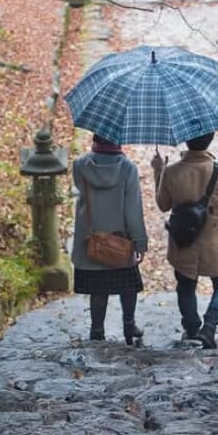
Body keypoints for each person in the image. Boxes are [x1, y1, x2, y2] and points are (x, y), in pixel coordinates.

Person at [152, 133, 218, 348]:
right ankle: (210, 326)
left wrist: (158, 171)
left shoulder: (172, 172)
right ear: (210, 140)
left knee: (185, 286)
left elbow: (163, 204)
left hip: (184, 239)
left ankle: (192, 327)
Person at [71, 133, 149, 345]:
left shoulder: (79, 166)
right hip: (119, 241)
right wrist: (139, 241)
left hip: (91, 240)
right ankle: (129, 325)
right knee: (128, 285)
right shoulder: (128, 169)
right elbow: (133, 209)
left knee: (98, 288)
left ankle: (97, 329)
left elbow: (80, 189)